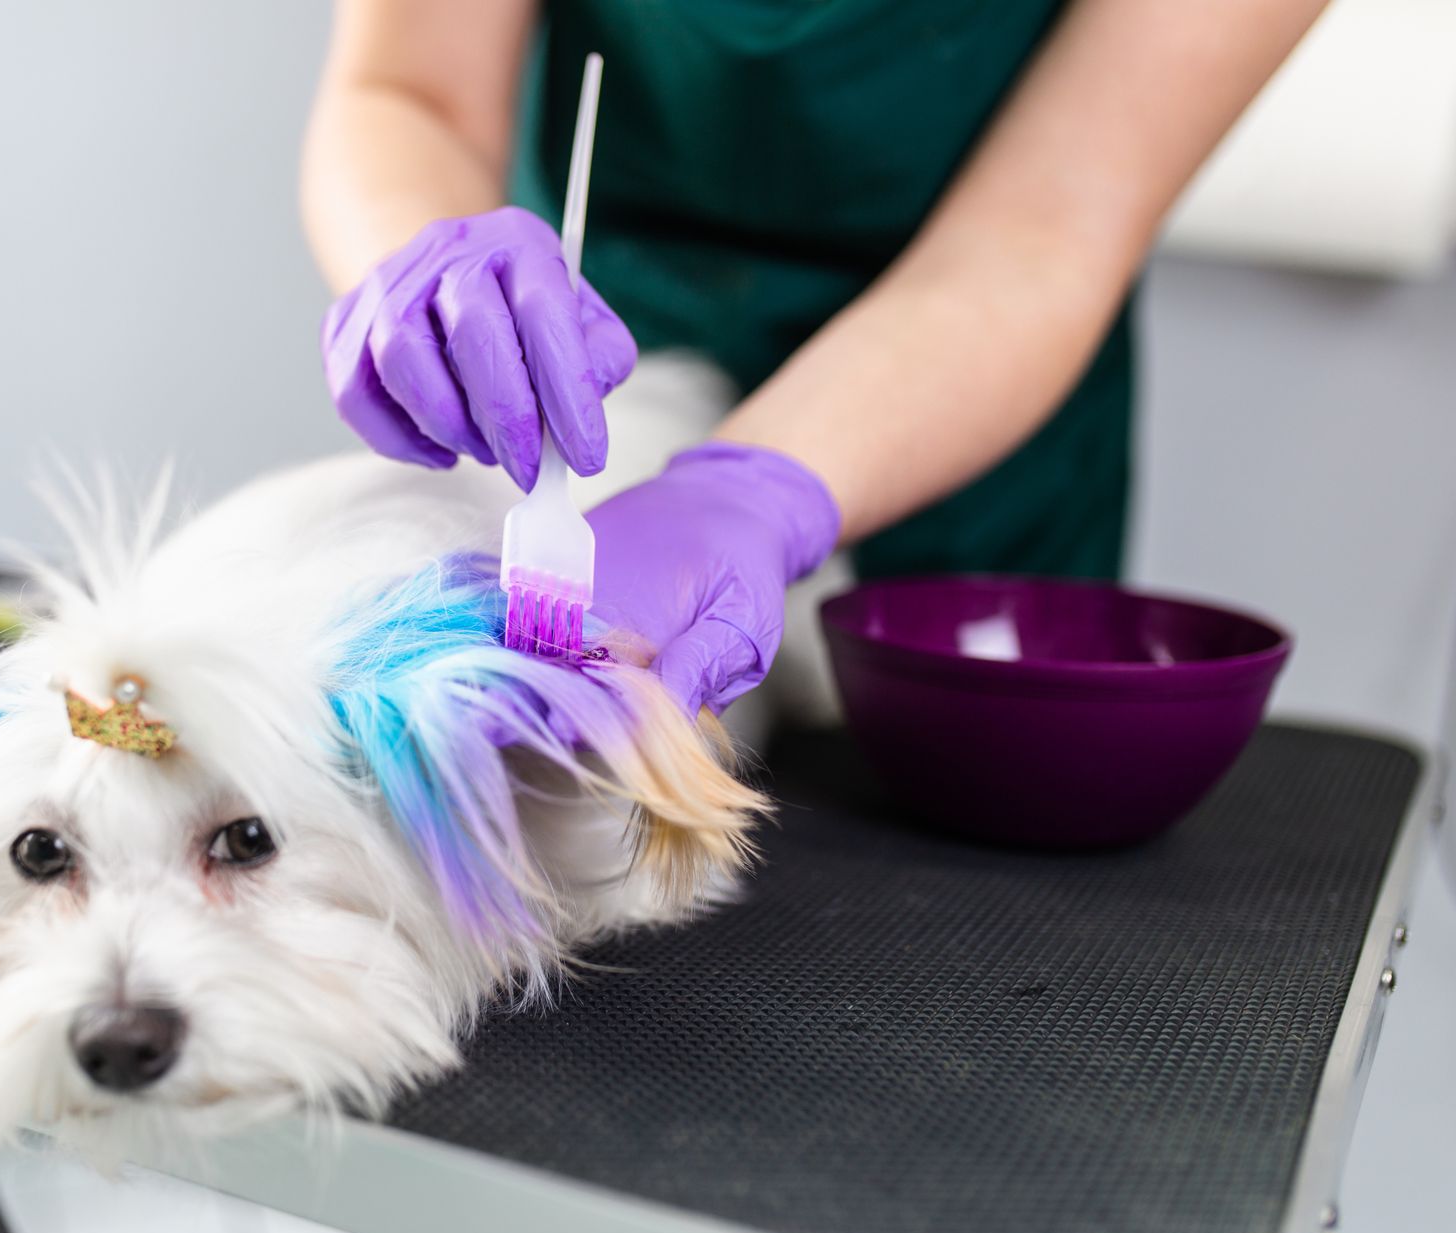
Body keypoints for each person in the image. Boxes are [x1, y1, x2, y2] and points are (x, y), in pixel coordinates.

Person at [300, 0, 1325, 721]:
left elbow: (1044, 234)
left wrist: (752, 491)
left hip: (958, 409)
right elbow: (408, 88)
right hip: (594, 353)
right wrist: (429, 271)